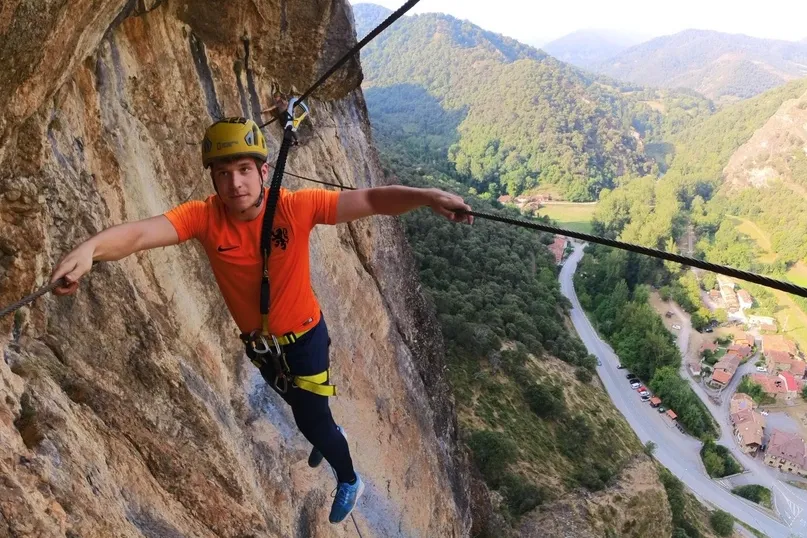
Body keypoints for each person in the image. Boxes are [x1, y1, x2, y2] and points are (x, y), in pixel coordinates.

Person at [49, 116, 473, 524]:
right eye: (223, 173)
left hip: (304, 340)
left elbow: (373, 200)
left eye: (244, 170)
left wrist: (427, 195)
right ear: (213, 180)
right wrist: (91, 250)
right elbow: (140, 234)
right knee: (300, 407)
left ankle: (349, 478)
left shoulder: (295, 208)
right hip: (261, 347)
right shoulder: (204, 218)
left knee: (310, 420)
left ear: (264, 171)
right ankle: (325, 429)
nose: (235, 183)